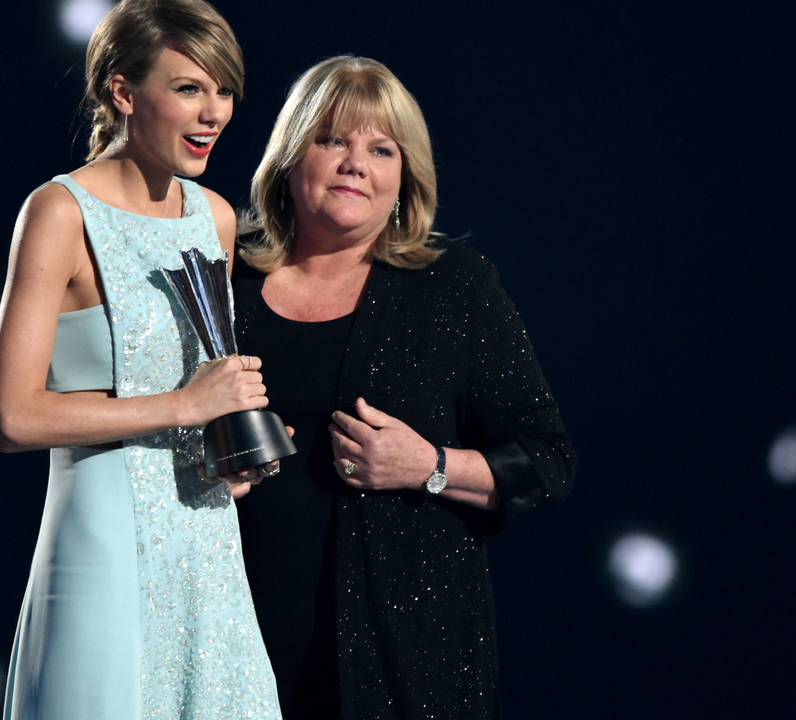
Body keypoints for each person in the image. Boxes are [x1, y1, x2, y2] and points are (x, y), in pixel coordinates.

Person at [232, 55, 577, 719]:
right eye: (332, 139)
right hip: (235, 651)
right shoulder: (227, 282)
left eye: (380, 148)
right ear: (289, 157)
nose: (354, 163)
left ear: (404, 176)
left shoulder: (454, 288)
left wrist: (431, 467)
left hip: (405, 669)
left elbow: (549, 460)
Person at [0, 1, 282, 717]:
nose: (213, 112)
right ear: (122, 92)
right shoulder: (59, 213)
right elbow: (13, 415)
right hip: (101, 540)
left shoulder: (212, 216)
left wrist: (226, 450)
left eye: (224, 90)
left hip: (206, 538)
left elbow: (203, 389)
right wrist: (187, 407)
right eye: (189, 89)